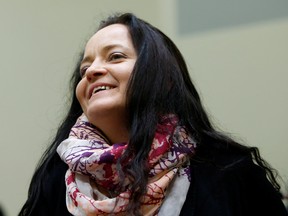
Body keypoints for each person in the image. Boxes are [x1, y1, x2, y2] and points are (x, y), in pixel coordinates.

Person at [18, 12, 287, 216]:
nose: (91, 71)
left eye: (114, 57)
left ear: (165, 80)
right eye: (84, 68)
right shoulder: (57, 178)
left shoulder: (228, 171)